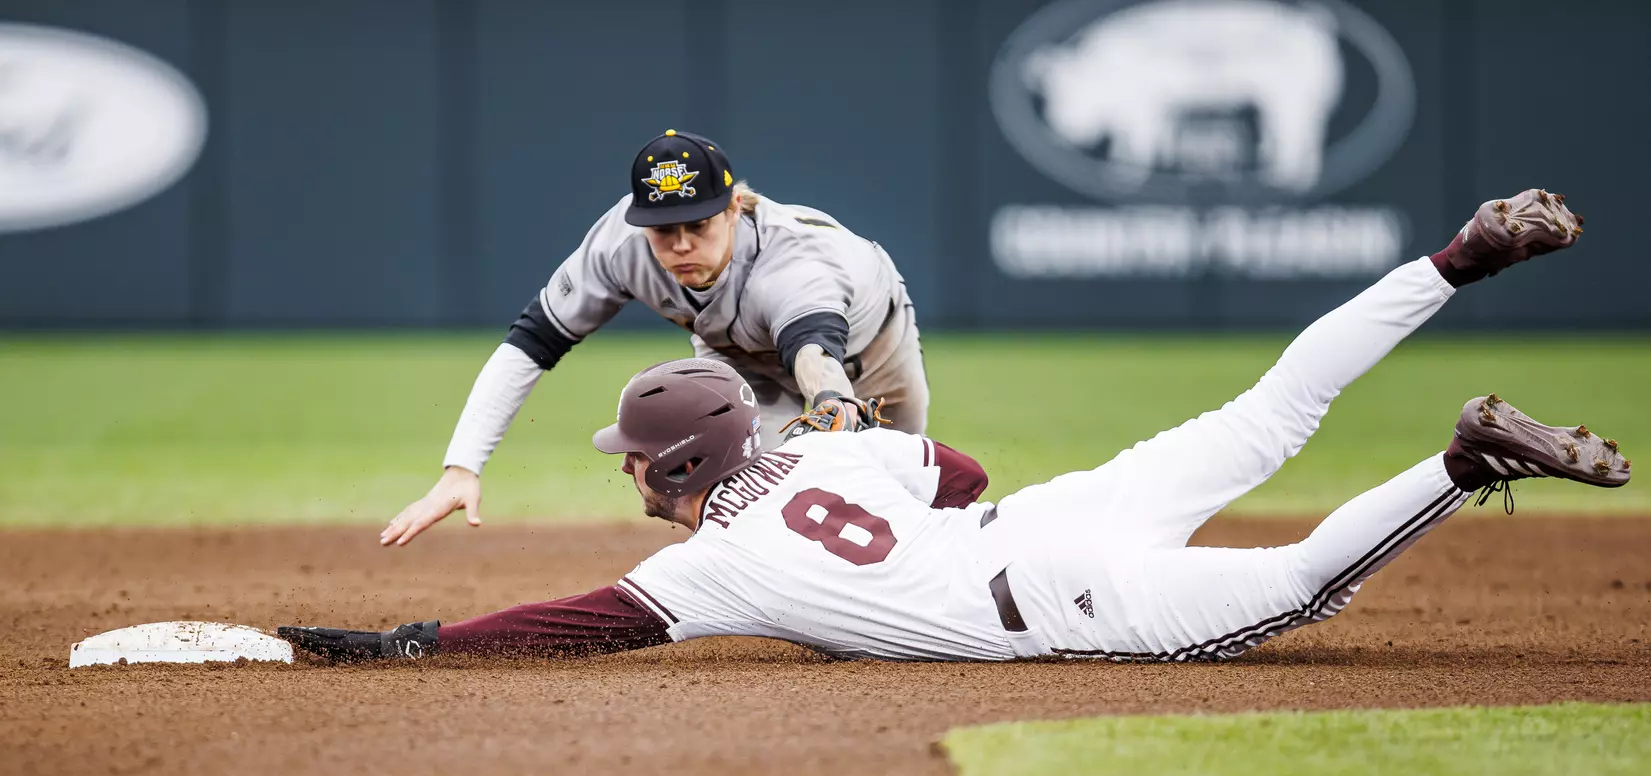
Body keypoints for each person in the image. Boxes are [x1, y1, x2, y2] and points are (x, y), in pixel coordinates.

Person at [283, 189, 1628, 665]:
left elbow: (570, 626)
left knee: (1293, 592)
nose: (628, 480)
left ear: (686, 461)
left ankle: (1462, 457)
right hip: (1039, 514)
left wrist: (422, 643)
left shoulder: (707, 570)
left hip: (1066, 593)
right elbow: (961, 467)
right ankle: (1452, 262)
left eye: (634, 462)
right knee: (1267, 413)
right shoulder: (819, 450)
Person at [380, 129, 929, 548]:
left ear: (735, 205)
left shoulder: (792, 266)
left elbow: (814, 351)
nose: (683, 244)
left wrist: (831, 400)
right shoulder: (619, 246)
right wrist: (462, 466)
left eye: (700, 224)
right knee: (739, 488)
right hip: (734, 353)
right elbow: (531, 343)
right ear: (642, 221)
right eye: (666, 229)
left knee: (899, 488)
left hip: (872, 350)